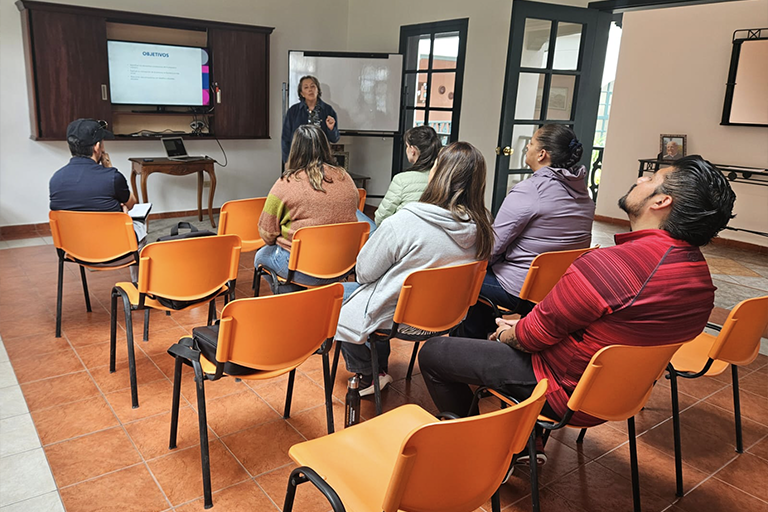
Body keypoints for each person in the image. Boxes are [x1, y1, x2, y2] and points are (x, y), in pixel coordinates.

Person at [419, 156, 736, 457]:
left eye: (652, 178)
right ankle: (525, 444)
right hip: (621, 394)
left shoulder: (611, 267)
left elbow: (531, 339)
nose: (641, 179)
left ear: (661, 201)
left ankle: (483, 450)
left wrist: (505, 334)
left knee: (435, 352)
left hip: (563, 392)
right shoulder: (700, 281)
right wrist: (525, 328)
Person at [335, 142, 495, 396]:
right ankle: (376, 367)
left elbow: (364, 273)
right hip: (449, 315)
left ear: (437, 175)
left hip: (401, 319)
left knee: (339, 297)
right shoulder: (483, 227)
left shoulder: (405, 221)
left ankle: (369, 373)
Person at [462, 125, 595, 339]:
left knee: (464, 277)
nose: (527, 147)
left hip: (519, 290)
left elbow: (492, 247)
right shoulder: (583, 194)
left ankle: (468, 346)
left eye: (531, 143)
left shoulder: (530, 190)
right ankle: (494, 337)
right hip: (558, 288)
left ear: (542, 154)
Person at [255, 124, 359, 288]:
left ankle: (293, 297)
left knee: (260, 256)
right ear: (326, 147)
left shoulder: (285, 183)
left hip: (302, 269)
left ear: (295, 150)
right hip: (343, 265)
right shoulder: (346, 178)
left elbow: (267, 233)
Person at [49, 118, 144, 280]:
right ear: (97, 147)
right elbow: (132, 203)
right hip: (115, 250)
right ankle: (137, 284)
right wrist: (109, 168)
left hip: (74, 251)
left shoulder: (56, 179)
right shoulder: (112, 177)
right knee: (140, 224)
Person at [374, 125, 442, 225]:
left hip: (401, 232)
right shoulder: (444, 178)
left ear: (413, 150)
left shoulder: (401, 180)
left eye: (407, 146)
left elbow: (381, 218)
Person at [281, 76, 339, 163]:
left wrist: (331, 129)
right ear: (302, 93)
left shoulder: (328, 110)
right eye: (306, 87)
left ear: (318, 90)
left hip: (321, 159)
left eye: (312, 86)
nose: (310, 90)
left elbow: (334, 139)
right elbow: (286, 138)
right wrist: (287, 161)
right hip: (298, 159)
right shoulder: (293, 111)